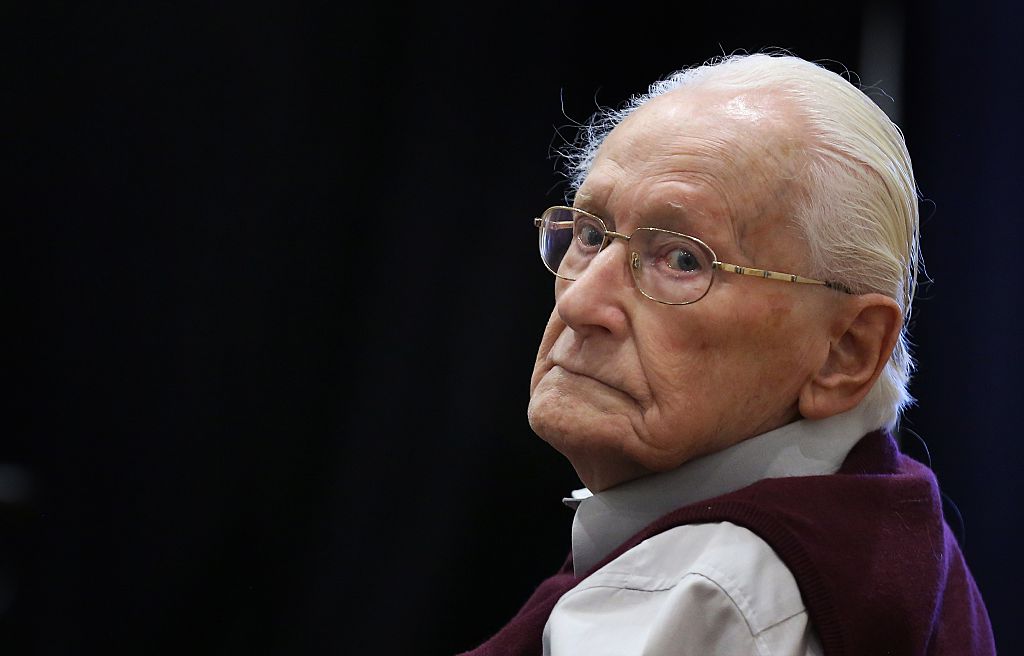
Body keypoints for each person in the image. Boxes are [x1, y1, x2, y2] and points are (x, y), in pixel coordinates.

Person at [461, 54, 995, 655]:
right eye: (590, 234)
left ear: (844, 352)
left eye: (683, 259)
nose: (583, 303)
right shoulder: (882, 523)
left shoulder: (714, 595)